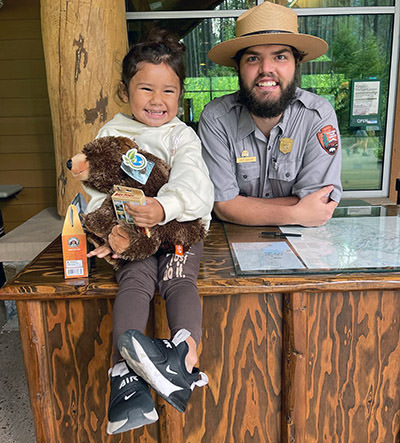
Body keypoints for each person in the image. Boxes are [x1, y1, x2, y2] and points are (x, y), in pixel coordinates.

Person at [87, 29, 213, 434]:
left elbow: (195, 184)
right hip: (133, 234)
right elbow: (94, 187)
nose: (157, 101)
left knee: (178, 281)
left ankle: (182, 362)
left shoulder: (180, 135)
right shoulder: (110, 134)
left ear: (180, 94)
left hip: (179, 229)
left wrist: (163, 206)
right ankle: (126, 380)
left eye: (169, 92)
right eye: (146, 89)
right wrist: (105, 232)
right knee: (135, 282)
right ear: (125, 91)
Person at [199, 1, 342, 227]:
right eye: (253, 58)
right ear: (238, 67)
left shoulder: (317, 115)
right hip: (234, 241)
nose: (266, 68)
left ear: (297, 63)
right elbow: (223, 206)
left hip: (306, 244)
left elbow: (319, 202)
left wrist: (243, 206)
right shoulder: (216, 118)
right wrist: (297, 214)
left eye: (280, 57)